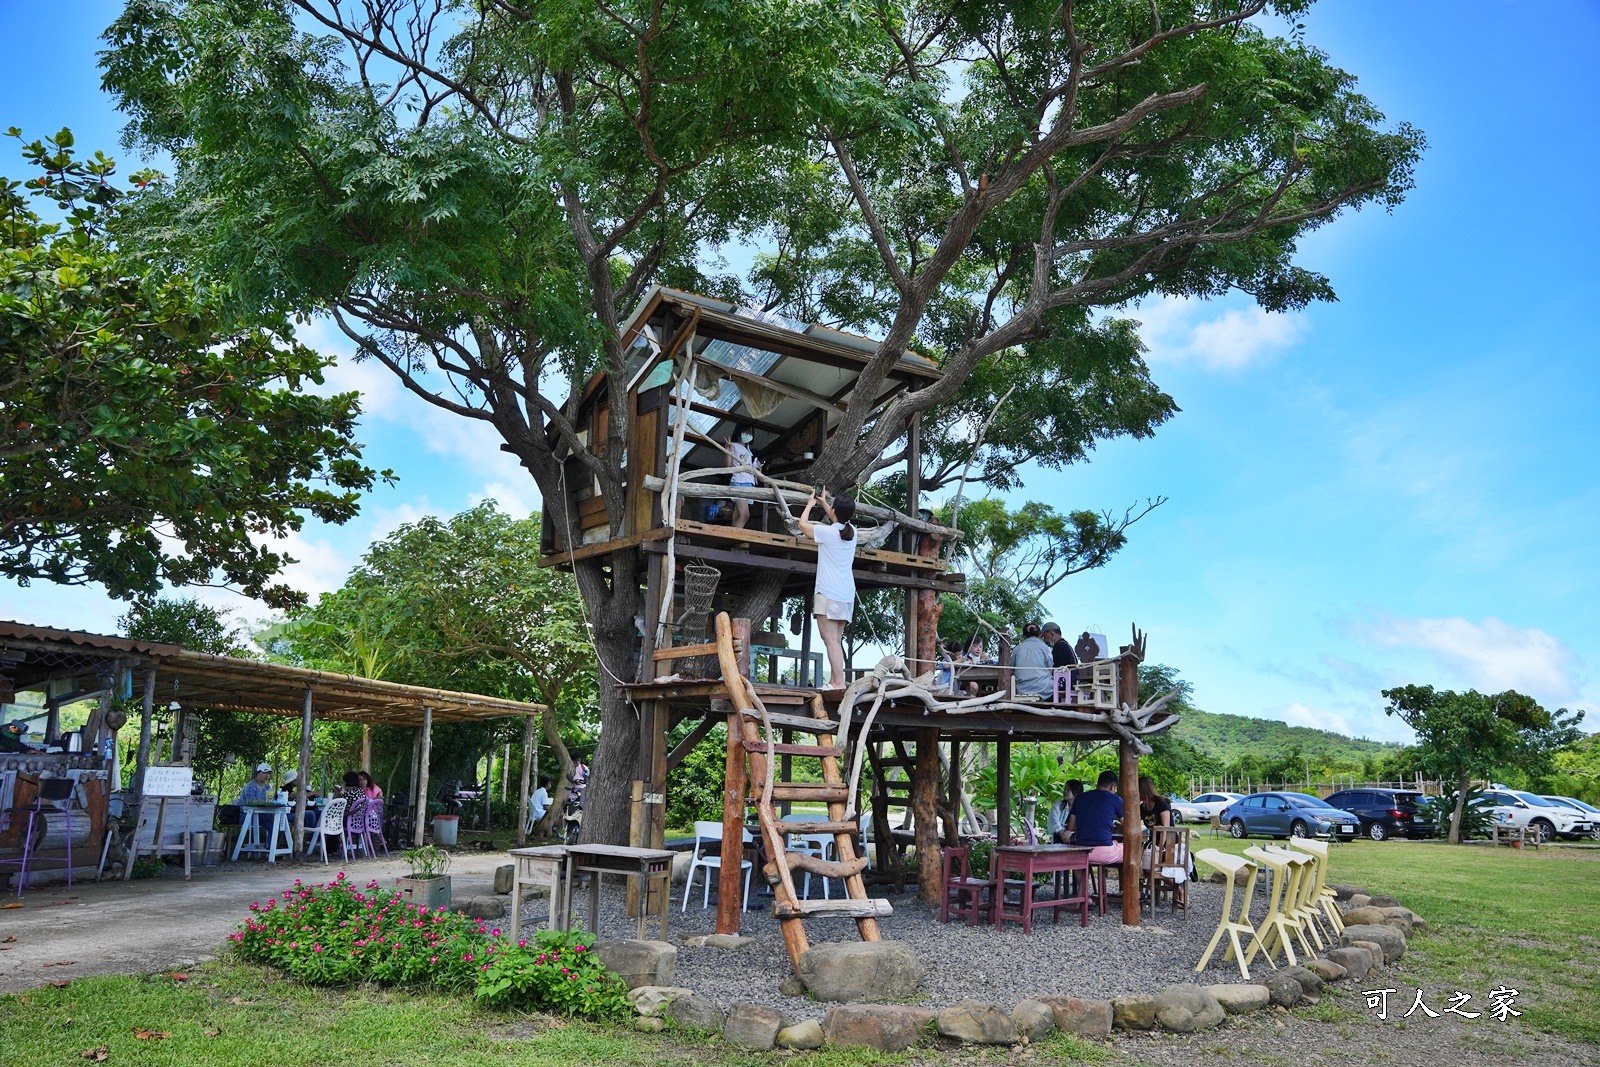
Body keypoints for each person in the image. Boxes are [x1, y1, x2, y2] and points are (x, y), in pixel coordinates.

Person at [798, 487, 858, 688]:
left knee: (829, 638)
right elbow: (838, 520)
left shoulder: (827, 532)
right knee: (835, 640)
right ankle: (834, 680)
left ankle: (838, 682)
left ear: (834, 511)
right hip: (845, 594)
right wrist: (824, 503)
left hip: (828, 592)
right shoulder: (852, 532)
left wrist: (810, 505)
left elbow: (803, 525)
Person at [1067, 770, 1124, 868]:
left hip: (1081, 851)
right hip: (1104, 852)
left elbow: (1071, 826)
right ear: (1112, 786)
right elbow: (1126, 826)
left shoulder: (1080, 798)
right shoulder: (1116, 799)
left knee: (1078, 861)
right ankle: (1136, 879)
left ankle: (1082, 883)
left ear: (1098, 784)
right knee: (1132, 850)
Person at [725, 423, 760, 529]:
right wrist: (727, 451)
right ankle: (734, 538)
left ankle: (731, 537)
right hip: (739, 482)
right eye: (746, 432)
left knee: (737, 515)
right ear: (739, 432)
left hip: (749, 483)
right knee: (745, 515)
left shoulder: (748, 450)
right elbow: (727, 466)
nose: (748, 435)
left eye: (750, 433)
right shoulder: (733, 446)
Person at [1012, 622, 1054, 698]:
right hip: (1044, 689)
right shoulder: (1045, 648)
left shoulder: (1017, 649)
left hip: (1022, 690)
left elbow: (1011, 668)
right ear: (1039, 635)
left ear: (1024, 636)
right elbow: (1050, 668)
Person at [1046, 778, 1085, 844]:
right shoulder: (1058, 805)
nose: (1065, 791)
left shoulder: (1083, 808)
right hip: (1058, 841)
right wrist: (1062, 833)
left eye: (1068, 789)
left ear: (1075, 792)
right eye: (1065, 789)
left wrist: (1071, 833)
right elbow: (1053, 820)